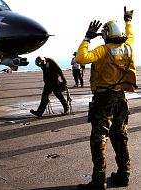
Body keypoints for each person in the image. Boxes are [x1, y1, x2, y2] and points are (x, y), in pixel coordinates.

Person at [75, 7, 136, 190]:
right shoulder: (128, 47)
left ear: (107, 35)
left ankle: (98, 181)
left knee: (98, 140)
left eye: (103, 34)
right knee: (120, 138)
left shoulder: (102, 50)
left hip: (104, 100)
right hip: (121, 99)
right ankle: (124, 175)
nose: (102, 37)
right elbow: (131, 35)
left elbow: (81, 58)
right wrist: (128, 20)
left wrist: (87, 37)